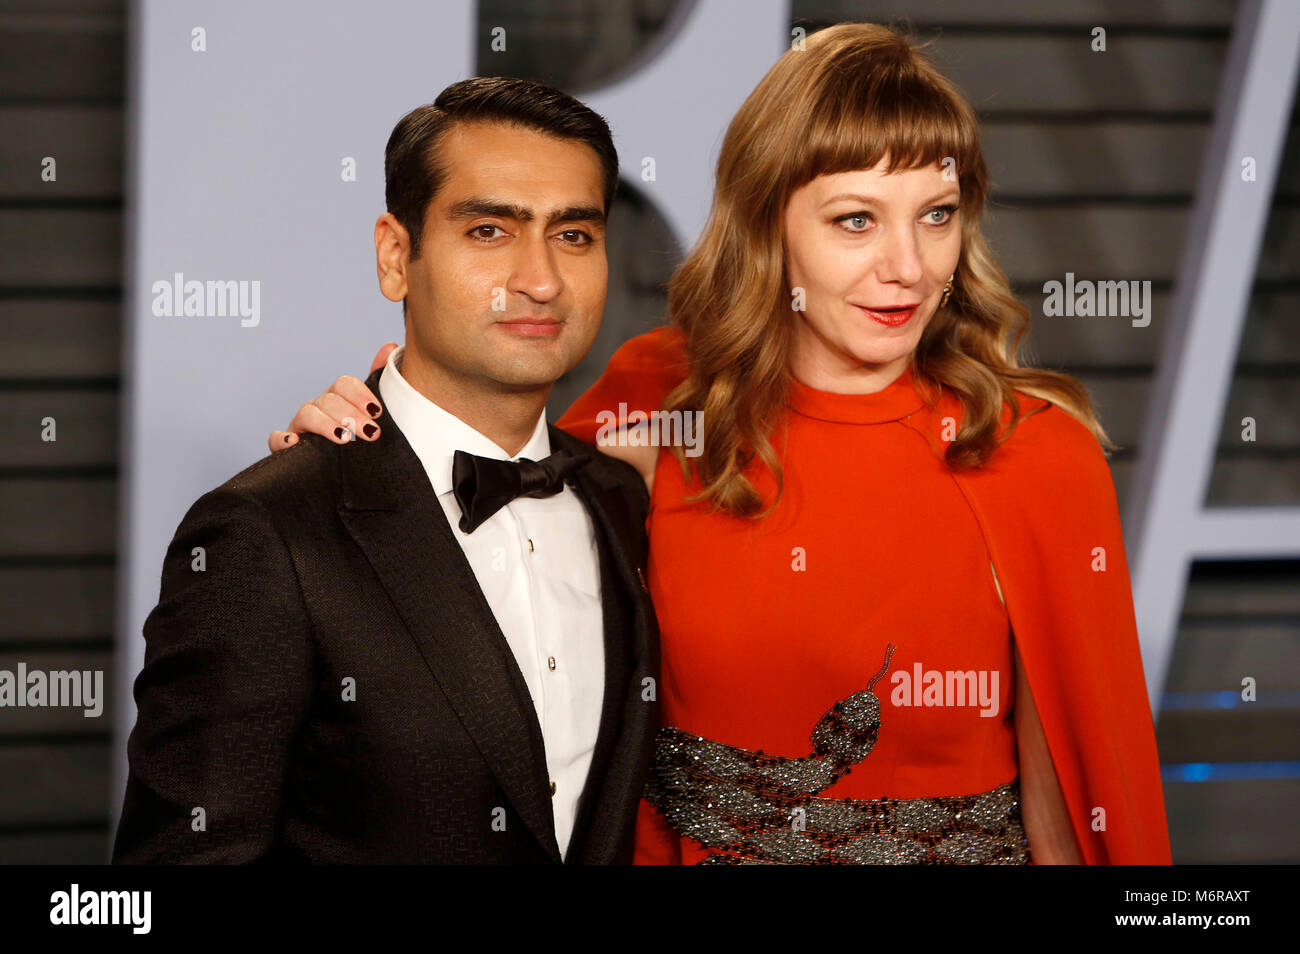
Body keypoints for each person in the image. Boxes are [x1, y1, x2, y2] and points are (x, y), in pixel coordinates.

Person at [271, 24, 1171, 864]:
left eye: (936, 214)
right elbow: (480, 514)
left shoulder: (1032, 452)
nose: (909, 265)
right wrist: (358, 444)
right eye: (856, 220)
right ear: (768, 223)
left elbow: (1084, 799)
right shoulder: (661, 394)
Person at [113, 77, 659, 864]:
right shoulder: (267, 532)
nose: (541, 280)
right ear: (397, 257)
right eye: (489, 232)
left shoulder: (626, 501)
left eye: (574, 235)